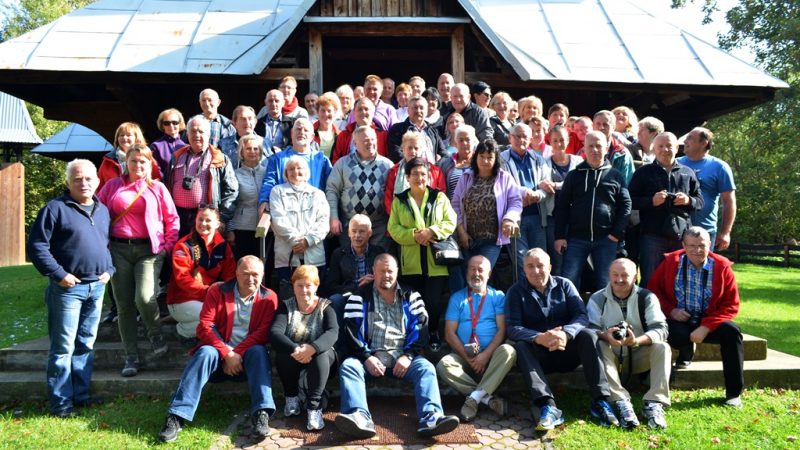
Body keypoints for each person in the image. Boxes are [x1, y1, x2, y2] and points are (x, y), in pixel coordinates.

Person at [336, 254, 460, 438]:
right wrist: (366, 357)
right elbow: (350, 330)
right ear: (373, 273)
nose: (386, 275)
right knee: (348, 366)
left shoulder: (411, 295)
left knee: (426, 368)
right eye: (381, 271)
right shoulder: (359, 296)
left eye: (390, 271)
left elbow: (422, 327)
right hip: (370, 358)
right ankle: (359, 416)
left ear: (397, 272)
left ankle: (431, 417)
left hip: (403, 358)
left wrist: (408, 355)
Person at [158, 256, 278, 443]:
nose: (251, 279)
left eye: (255, 274)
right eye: (245, 274)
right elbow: (204, 325)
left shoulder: (269, 297)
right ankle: (176, 416)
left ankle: (261, 414)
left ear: (262, 275)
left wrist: (237, 354)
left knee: (259, 352)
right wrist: (227, 353)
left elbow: (263, 332)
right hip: (217, 360)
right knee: (206, 352)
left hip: (247, 361)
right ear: (236, 273)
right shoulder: (218, 290)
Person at [28, 159, 114, 418]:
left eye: (88, 178)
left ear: (97, 181)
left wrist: (109, 271)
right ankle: (61, 404)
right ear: (68, 182)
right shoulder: (55, 209)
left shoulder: (102, 210)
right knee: (63, 346)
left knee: (86, 344)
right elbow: (37, 246)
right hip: (68, 288)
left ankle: (81, 396)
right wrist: (59, 274)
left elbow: (105, 245)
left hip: (96, 287)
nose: (84, 183)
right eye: (78, 179)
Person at [506, 248, 619, 430]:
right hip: (539, 356)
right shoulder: (515, 292)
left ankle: (600, 401)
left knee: (589, 335)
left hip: (567, 351)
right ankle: (548, 406)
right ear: (524, 269)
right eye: (530, 266)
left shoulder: (565, 285)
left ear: (550, 267)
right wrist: (538, 337)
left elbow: (581, 316)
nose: (536, 271)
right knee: (520, 346)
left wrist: (565, 334)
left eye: (540, 265)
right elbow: (512, 327)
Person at [97, 145, 179, 377]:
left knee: (144, 297)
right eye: (134, 161)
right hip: (118, 249)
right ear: (126, 163)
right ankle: (130, 355)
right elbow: (97, 212)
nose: (138, 166)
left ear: (150, 164)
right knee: (124, 305)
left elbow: (172, 219)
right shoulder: (113, 186)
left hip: (149, 250)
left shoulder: (158, 188)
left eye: (143, 161)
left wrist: (167, 247)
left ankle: (154, 332)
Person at [648, 226, 744, 407]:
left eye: (702, 245)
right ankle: (659, 388)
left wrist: (706, 326)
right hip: (679, 318)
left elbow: (731, 305)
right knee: (667, 334)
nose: (697, 250)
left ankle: (733, 393)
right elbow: (653, 292)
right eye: (691, 246)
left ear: (710, 244)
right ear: (683, 245)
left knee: (732, 332)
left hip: (709, 320)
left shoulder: (722, 267)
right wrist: (671, 311)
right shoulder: (670, 263)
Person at [587, 258, 670, 429]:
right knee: (599, 344)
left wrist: (636, 341)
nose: (619, 280)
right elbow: (590, 330)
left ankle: (654, 402)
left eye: (625, 275)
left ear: (634, 277)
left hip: (638, 352)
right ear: (609, 276)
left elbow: (661, 329)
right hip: (611, 356)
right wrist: (605, 335)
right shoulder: (597, 299)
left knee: (662, 346)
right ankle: (621, 401)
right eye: (615, 275)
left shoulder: (646, 297)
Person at [387, 158, 457, 351]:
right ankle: (414, 338)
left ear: (429, 176)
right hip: (411, 262)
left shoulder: (439, 197)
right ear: (407, 177)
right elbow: (393, 228)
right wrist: (414, 235)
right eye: (415, 174)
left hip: (436, 262)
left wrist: (431, 232)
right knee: (412, 303)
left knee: (433, 303)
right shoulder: (399, 200)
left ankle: (433, 333)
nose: (419, 177)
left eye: (423, 174)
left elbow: (450, 221)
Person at [436, 255, 516, 422]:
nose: (476, 273)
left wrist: (485, 355)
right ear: (466, 272)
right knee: (444, 365)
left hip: (491, 355)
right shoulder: (457, 298)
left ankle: (473, 399)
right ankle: (487, 399)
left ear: (489, 273)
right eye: (472, 268)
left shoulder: (498, 296)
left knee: (508, 351)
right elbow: (449, 333)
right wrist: (469, 358)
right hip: (464, 355)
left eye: (480, 269)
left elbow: (502, 330)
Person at [554, 131, 631, 292]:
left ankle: (605, 316)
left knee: (605, 283)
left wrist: (616, 234)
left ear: (606, 147)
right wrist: (560, 236)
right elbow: (561, 206)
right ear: (584, 149)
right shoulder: (574, 176)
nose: (595, 150)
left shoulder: (615, 176)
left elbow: (626, 205)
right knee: (569, 280)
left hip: (606, 239)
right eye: (591, 146)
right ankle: (569, 315)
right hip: (576, 239)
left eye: (598, 146)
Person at [629, 132, 703, 286]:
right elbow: (630, 200)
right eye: (660, 146)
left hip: (681, 235)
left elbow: (700, 202)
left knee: (679, 279)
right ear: (654, 149)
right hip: (652, 235)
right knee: (651, 278)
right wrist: (651, 201)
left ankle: (675, 310)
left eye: (669, 145)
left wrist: (688, 200)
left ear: (676, 148)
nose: (665, 149)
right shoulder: (643, 172)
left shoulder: (687, 173)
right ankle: (647, 310)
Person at [270, 265, 338, 431]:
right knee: (282, 354)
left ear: (316, 286)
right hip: (296, 355)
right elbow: (275, 332)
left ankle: (314, 408)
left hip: (322, 357)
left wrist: (313, 348)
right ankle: (291, 398)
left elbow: (332, 332)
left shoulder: (326, 306)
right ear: (293, 286)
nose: (304, 290)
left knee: (321, 354)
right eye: (299, 285)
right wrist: (296, 348)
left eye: (308, 285)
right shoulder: (286, 306)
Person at [452, 139, 522, 282]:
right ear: (475, 157)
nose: (485, 160)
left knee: (481, 276)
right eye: (481, 156)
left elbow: (515, 201)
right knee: (468, 277)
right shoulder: (465, 177)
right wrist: (461, 232)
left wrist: (509, 218)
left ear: (496, 159)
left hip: (492, 241)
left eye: (490, 157)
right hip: (467, 239)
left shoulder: (504, 178)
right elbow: (455, 205)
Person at [167, 206, 236, 342]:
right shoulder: (183, 246)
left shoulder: (223, 246)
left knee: (230, 315)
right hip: (181, 301)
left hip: (209, 299)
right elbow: (183, 280)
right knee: (216, 317)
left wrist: (228, 295)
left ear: (218, 224)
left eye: (208, 220)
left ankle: (193, 327)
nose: (203, 224)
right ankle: (183, 330)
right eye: (200, 219)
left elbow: (231, 274)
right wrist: (211, 293)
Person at [167, 115, 238, 237]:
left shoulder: (220, 158)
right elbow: (165, 184)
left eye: (201, 131)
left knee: (202, 254)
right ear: (187, 134)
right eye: (193, 131)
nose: (197, 135)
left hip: (205, 218)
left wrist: (221, 218)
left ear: (208, 134)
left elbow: (231, 191)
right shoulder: (176, 157)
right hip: (177, 217)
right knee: (179, 253)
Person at [326, 125, 393, 250]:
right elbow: (332, 191)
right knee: (351, 265)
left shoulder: (387, 165)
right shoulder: (342, 163)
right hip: (351, 226)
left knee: (377, 264)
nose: (371, 143)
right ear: (355, 143)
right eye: (366, 140)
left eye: (373, 139)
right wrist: (334, 218)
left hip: (379, 227)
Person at [500, 123, 551, 281]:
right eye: (517, 136)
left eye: (525, 137)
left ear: (530, 139)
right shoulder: (501, 159)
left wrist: (537, 195)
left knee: (539, 260)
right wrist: (525, 192)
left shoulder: (539, 159)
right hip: (515, 218)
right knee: (522, 263)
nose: (521, 140)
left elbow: (546, 185)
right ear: (510, 137)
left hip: (537, 216)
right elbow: (504, 185)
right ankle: (525, 299)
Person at [270, 156, 330, 283]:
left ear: (306, 171)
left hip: (314, 254)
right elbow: (278, 220)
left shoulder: (318, 194)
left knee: (313, 294)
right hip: (287, 256)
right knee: (289, 297)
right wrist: (296, 242)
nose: (295, 172)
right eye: (291, 169)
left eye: (299, 168)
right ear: (286, 173)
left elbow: (323, 222)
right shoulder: (277, 191)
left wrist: (308, 241)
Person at [678, 127, 737, 251]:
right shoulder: (675, 163)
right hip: (677, 230)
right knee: (675, 269)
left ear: (704, 143)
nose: (685, 141)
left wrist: (725, 232)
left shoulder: (719, 167)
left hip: (705, 231)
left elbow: (729, 201)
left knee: (703, 270)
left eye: (690, 138)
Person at [541, 126, 582, 275]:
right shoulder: (543, 163)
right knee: (557, 260)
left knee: (574, 261)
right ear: (550, 142)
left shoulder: (578, 161)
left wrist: (556, 185)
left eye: (562, 140)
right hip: (554, 217)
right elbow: (543, 183)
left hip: (575, 218)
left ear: (568, 141)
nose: (559, 144)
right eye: (555, 140)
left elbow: (578, 185)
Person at [384, 130, 446, 217]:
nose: (413, 151)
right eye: (410, 148)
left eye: (416, 148)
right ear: (403, 149)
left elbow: (441, 195)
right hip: (400, 222)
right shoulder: (394, 171)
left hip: (429, 221)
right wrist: (397, 218)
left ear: (421, 150)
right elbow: (388, 198)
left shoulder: (435, 171)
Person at [228, 134, 267, 260]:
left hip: (266, 227)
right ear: (242, 152)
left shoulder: (268, 173)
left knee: (264, 265)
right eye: (248, 149)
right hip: (243, 228)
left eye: (256, 149)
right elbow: (230, 203)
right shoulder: (235, 175)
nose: (252, 152)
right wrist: (230, 229)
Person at [99, 122, 160, 188]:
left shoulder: (146, 157)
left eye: (128, 135)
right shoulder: (108, 160)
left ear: (137, 138)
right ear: (117, 138)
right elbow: (99, 185)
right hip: (113, 197)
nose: (124, 137)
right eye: (121, 135)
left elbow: (156, 180)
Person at [387, 95, 446, 163]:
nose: (418, 111)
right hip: (409, 171)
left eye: (421, 108)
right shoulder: (398, 129)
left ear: (426, 111)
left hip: (432, 171)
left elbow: (443, 153)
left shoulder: (433, 131)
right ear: (408, 110)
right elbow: (395, 153)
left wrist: (439, 160)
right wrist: (415, 165)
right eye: (415, 108)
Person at [331, 97, 389, 165]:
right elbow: (335, 161)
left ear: (373, 112)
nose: (363, 112)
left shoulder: (383, 135)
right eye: (360, 109)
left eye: (366, 109)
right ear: (354, 113)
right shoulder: (343, 135)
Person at [592, 110, 634, 186]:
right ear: (593, 126)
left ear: (613, 127)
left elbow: (625, 184)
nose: (601, 127)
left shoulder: (622, 154)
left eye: (605, 124)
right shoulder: (583, 150)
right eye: (598, 124)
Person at [438, 124, 476, 199]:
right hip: (452, 209)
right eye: (461, 140)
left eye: (468, 140)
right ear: (456, 143)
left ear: (474, 141)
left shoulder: (480, 161)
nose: (464, 143)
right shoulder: (446, 163)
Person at [150, 108, 187, 179]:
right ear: (162, 125)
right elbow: (155, 171)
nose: (171, 126)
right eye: (166, 123)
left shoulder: (187, 145)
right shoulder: (156, 146)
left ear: (180, 124)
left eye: (175, 123)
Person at [312, 93, 341, 158]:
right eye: (323, 111)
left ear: (334, 112)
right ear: (317, 112)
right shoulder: (309, 132)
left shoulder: (340, 135)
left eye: (329, 111)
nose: (326, 114)